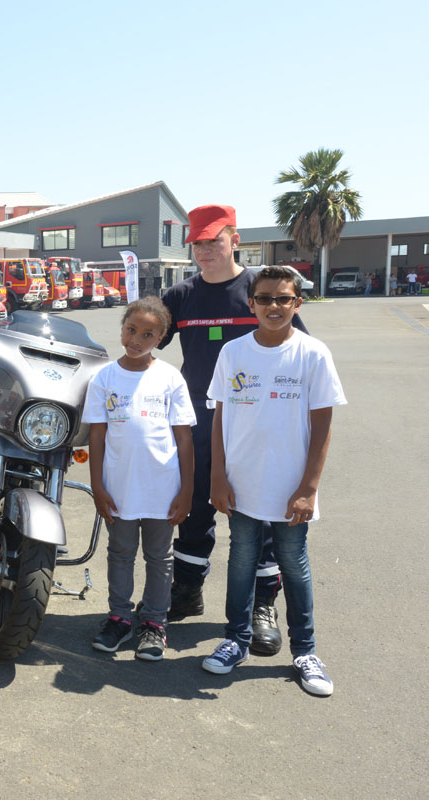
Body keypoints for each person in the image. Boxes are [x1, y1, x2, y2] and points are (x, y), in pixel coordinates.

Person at [160, 204, 307, 657]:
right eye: (198, 243)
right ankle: (186, 589)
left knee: (259, 518)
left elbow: (298, 353)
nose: (206, 251)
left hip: (257, 430)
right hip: (198, 426)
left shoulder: (261, 290)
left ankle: (263, 607)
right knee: (195, 510)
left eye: (215, 241)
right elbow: (142, 341)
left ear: (235, 239)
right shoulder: (181, 296)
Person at [202, 265, 346, 697]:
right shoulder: (232, 353)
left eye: (283, 299)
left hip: (290, 489)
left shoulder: (313, 353)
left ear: (297, 303)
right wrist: (217, 477)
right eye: (264, 298)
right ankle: (236, 640)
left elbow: (322, 426)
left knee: (293, 565)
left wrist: (308, 488)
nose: (274, 307)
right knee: (241, 560)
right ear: (252, 304)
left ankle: (305, 651)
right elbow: (221, 418)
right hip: (242, 484)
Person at [83, 297, 195, 661]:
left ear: (161, 339)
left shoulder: (170, 377)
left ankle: (154, 623)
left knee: (160, 557)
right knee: (120, 553)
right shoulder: (104, 378)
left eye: (148, 334)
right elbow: (97, 436)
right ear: (122, 329)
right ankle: (119, 616)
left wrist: (187, 491)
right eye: (131, 330)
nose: (137, 339)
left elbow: (184, 439)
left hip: (163, 489)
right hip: (119, 489)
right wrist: (98, 486)